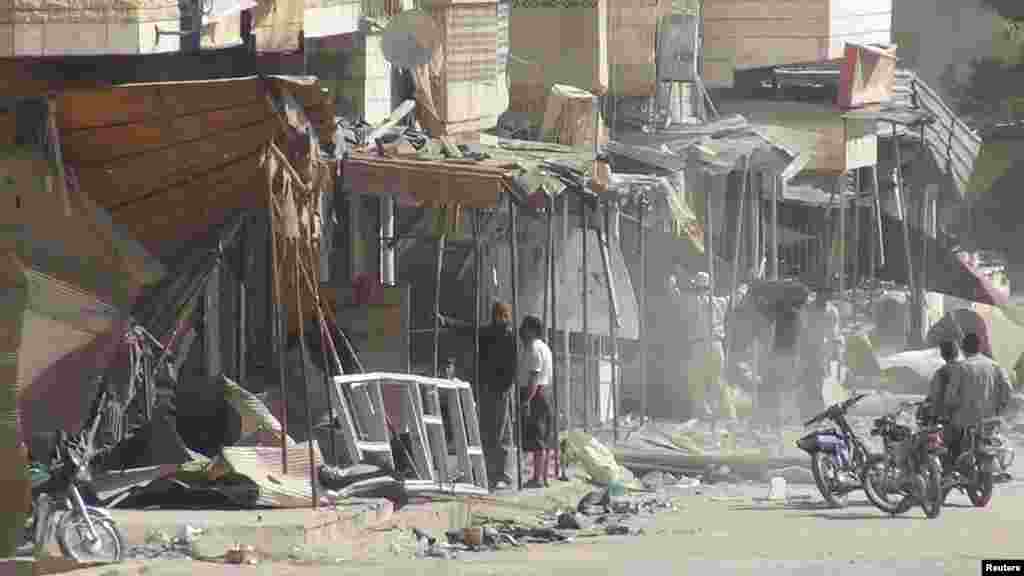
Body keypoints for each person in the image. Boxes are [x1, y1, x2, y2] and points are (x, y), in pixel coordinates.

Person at [944, 332, 1014, 472]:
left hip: (965, 422)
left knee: (945, 443)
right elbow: (1008, 390)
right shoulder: (995, 366)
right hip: (990, 421)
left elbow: (950, 397)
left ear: (963, 349)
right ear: (980, 347)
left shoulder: (962, 367)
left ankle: (949, 470)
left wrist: (950, 410)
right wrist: (1000, 409)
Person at [685, 272, 731, 422]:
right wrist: (746, 285)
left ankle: (703, 413)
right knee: (717, 379)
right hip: (716, 345)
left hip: (698, 345)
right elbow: (737, 296)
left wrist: (671, 283)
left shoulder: (690, 302)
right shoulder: (720, 302)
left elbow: (674, 295)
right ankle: (720, 412)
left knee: (698, 380)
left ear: (695, 287)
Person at [518, 315, 554, 489]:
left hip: (535, 394)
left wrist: (526, 400)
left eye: (524, 328)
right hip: (544, 392)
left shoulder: (533, 348)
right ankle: (544, 476)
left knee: (537, 436)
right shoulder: (545, 347)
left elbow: (534, 377)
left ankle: (537, 478)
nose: (521, 331)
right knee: (543, 436)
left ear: (531, 330)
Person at [799, 289, 840, 418]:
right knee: (808, 378)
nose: (824, 299)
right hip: (808, 347)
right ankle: (809, 407)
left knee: (819, 378)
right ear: (818, 295)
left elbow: (833, 332)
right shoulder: (807, 308)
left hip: (822, 349)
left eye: (827, 296)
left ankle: (816, 407)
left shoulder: (832, 311)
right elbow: (802, 327)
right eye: (822, 296)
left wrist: (834, 349)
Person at [927, 340, 963, 471]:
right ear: (957, 353)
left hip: (950, 419)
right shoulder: (967, 368)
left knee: (936, 443)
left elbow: (935, 398)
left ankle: (946, 470)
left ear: (942, 355)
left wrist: (932, 417)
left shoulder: (942, 372)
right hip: (972, 417)